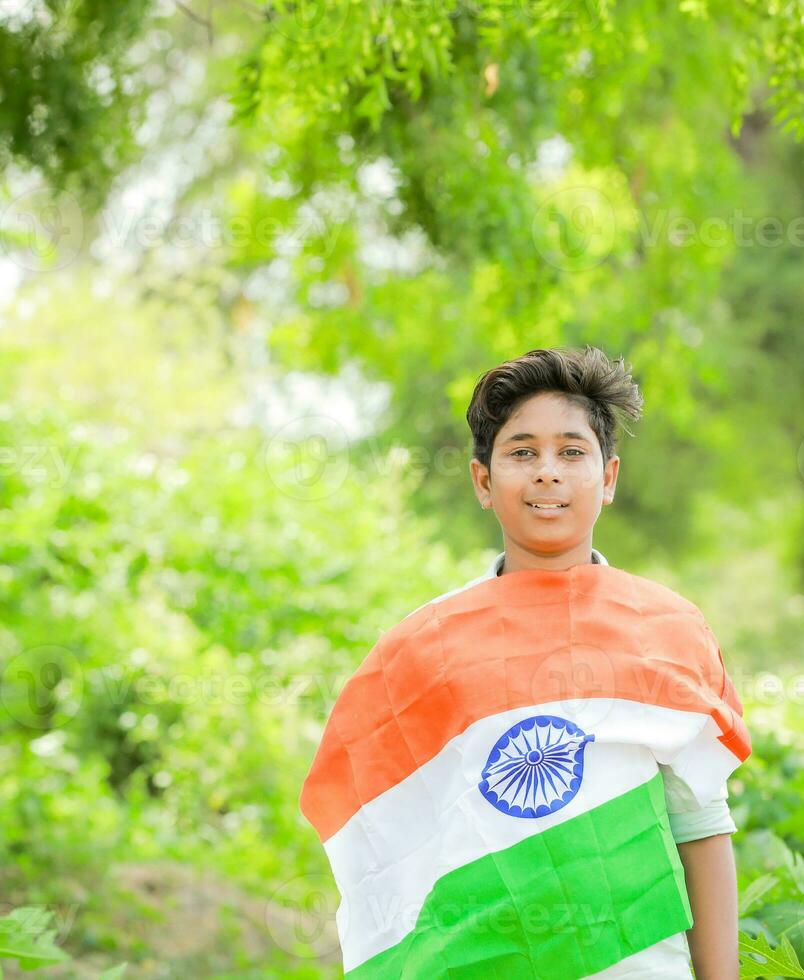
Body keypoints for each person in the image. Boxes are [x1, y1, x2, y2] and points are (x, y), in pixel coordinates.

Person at [300, 346, 749, 979]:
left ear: (609, 477)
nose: (547, 472)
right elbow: (391, 840)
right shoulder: (424, 647)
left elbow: (701, 821)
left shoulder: (665, 630)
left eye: (571, 452)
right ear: (483, 480)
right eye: (521, 452)